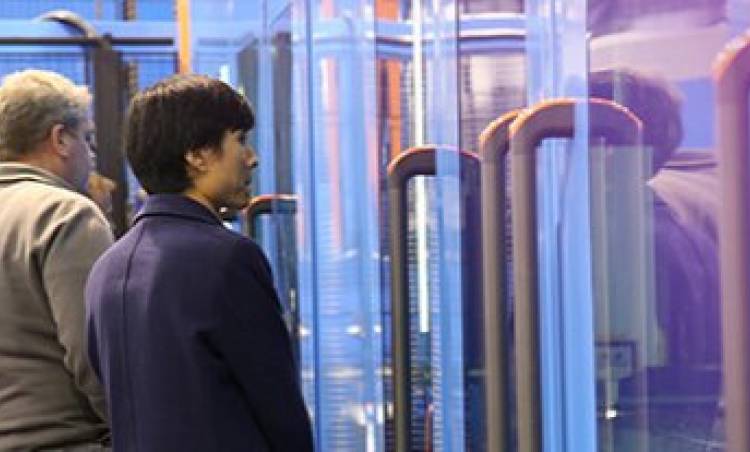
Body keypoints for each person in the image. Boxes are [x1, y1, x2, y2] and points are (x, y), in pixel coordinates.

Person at [85, 74, 314, 451]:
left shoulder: (106, 268)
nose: (252, 158)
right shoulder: (227, 258)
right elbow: (276, 403)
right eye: (240, 139)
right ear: (197, 155)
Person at [0, 70, 112, 450]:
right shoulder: (64, 214)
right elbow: (94, 353)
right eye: (87, 139)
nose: (92, 155)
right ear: (60, 138)